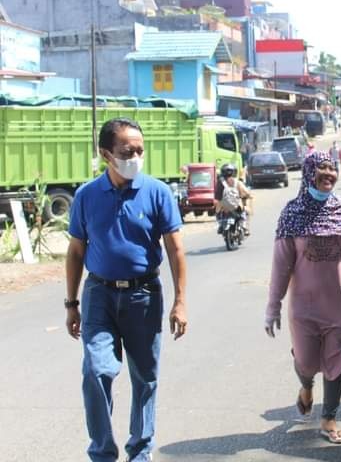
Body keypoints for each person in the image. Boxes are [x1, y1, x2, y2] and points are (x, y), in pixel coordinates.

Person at [65, 117, 187, 462]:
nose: (135, 156)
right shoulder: (87, 196)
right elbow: (76, 252)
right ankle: (102, 452)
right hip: (99, 296)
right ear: (106, 154)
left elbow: (176, 249)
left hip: (143, 296)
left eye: (139, 150)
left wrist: (180, 301)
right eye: (126, 151)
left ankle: (140, 450)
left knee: (145, 378)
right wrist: (71, 303)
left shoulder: (158, 192)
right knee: (96, 371)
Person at [265, 151, 341, 445]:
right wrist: (272, 308)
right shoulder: (292, 214)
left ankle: (330, 418)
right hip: (305, 307)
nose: (329, 174)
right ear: (309, 172)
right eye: (322, 168)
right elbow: (281, 266)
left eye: (333, 168)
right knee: (307, 361)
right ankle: (306, 385)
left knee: (336, 360)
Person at [214, 163, 252, 235]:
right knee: (245, 211)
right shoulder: (237, 182)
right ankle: (244, 228)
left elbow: (217, 196)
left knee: (217, 212)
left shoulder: (220, 182)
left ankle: (220, 225)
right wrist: (248, 196)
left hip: (223, 207)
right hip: (236, 206)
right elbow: (246, 193)